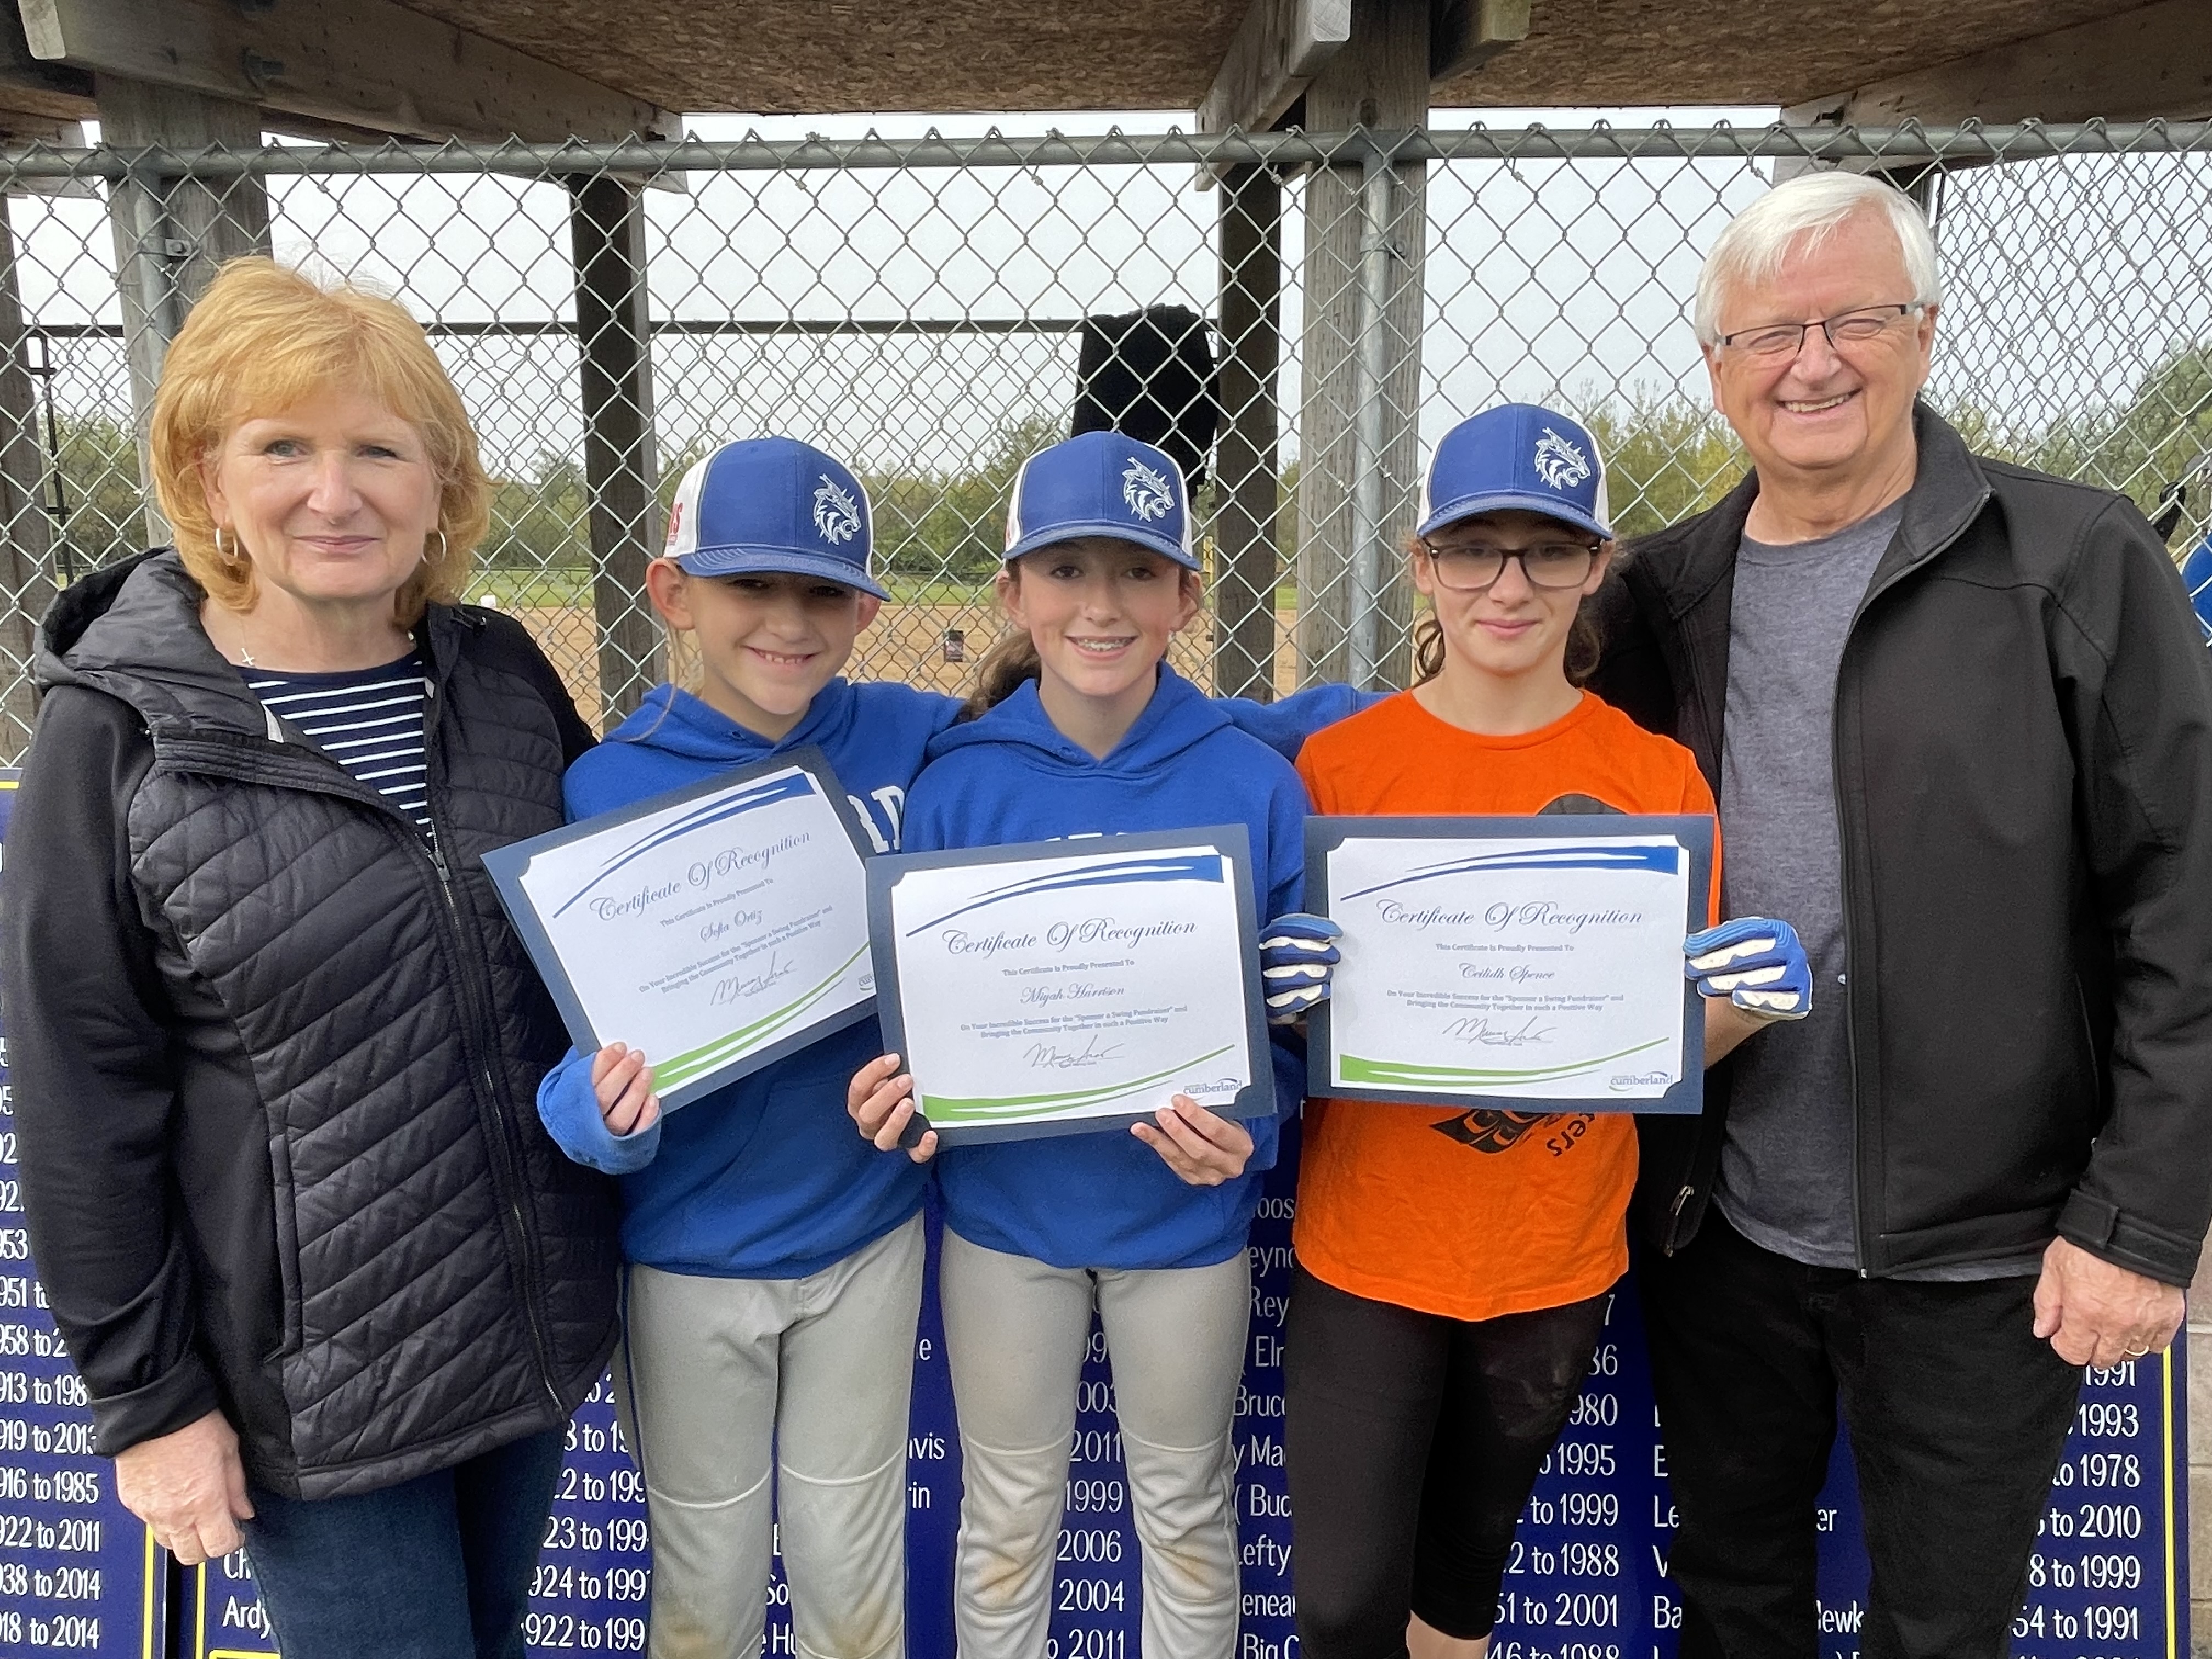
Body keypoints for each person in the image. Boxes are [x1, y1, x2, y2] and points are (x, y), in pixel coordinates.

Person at [537, 432, 1366, 1659]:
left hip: (1028, 1225)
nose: (788, 622)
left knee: (1052, 1529)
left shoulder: (965, 746)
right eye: (751, 586)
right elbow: (573, 1042)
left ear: (1189, 595)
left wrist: (1373, 724)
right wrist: (596, 1116)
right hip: (787, 1235)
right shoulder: (669, 782)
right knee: (745, 1566)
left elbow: (1269, 989)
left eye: (1139, 575)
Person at [1588, 171, 2212, 1659]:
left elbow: (2184, 896)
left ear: (1924, 336)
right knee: (1735, 1605)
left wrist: (2141, 1217)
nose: (1815, 361)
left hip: (1985, 1240)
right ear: (1719, 372)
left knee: (1943, 1627)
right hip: (1721, 1220)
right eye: (1773, 333)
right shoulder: (1665, 595)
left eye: (1855, 318)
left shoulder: (2070, 561)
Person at [0, 258, 617, 1658]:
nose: (334, 496)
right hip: (312, 1391)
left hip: (521, 1330)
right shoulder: (116, 736)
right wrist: (150, 1405)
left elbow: (608, 939)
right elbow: (80, 1105)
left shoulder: (501, 673)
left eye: (378, 452)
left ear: (441, 486)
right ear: (207, 478)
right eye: (284, 448)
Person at [1284, 403, 1809, 1659]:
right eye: (1475, 548)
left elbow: (1663, 1033)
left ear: (1596, 566)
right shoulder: (1338, 768)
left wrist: (1748, 1005)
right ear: (1424, 564)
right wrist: (1273, 1001)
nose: (1509, 584)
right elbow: (1300, 1023)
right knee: (1343, 1603)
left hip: (1552, 1248)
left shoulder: (1654, 778)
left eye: (1548, 551)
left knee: (1462, 1589)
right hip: (1372, 1242)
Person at [846, 430, 1329, 1659]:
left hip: (1185, 1220)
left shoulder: (1251, 780)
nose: (1100, 606)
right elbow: (932, 1009)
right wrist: (917, 1088)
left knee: (1183, 1510)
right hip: (1008, 1220)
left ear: (1186, 594)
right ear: (1011, 594)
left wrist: (1253, 1126)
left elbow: (1282, 1028)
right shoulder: (961, 781)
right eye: (1065, 572)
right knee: (1008, 1514)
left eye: (1136, 572)